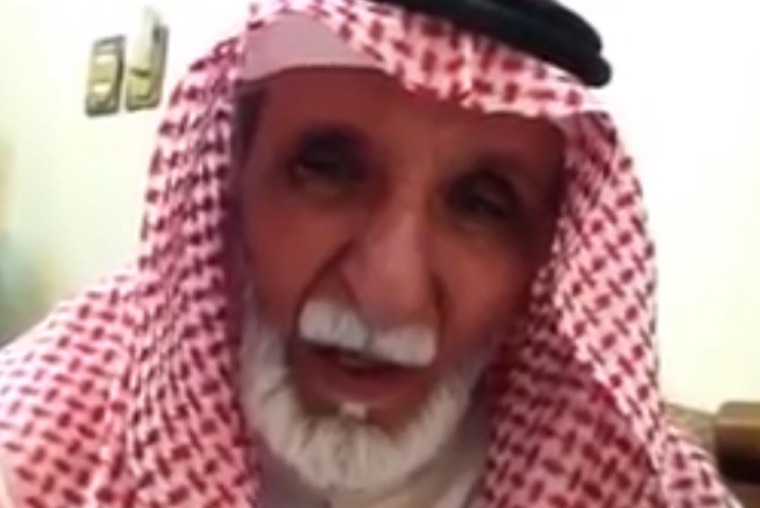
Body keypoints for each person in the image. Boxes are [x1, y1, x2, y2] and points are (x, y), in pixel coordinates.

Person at [0, 0, 736, 506]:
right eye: (327, 169)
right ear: (233, 180)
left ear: (542, 258)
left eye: (482, 204)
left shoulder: (636, 482)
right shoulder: (37, 445)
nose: (388, 295)